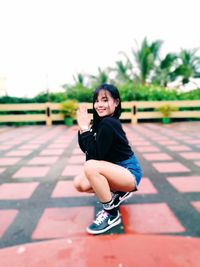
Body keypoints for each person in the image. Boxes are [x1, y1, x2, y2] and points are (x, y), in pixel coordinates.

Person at [74, 83, 142, 235]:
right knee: (79, 184)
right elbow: (87, 149)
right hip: (116, 171)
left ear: (116, 102)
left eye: (105, 100)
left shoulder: (109, 123)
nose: (99, 105)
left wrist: (85, 129)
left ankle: (111, 214)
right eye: (97, 101)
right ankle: (118, 192)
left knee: (91, 166)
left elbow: (93, 158)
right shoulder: (102, 122)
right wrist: (83, 128)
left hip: (129, 173)